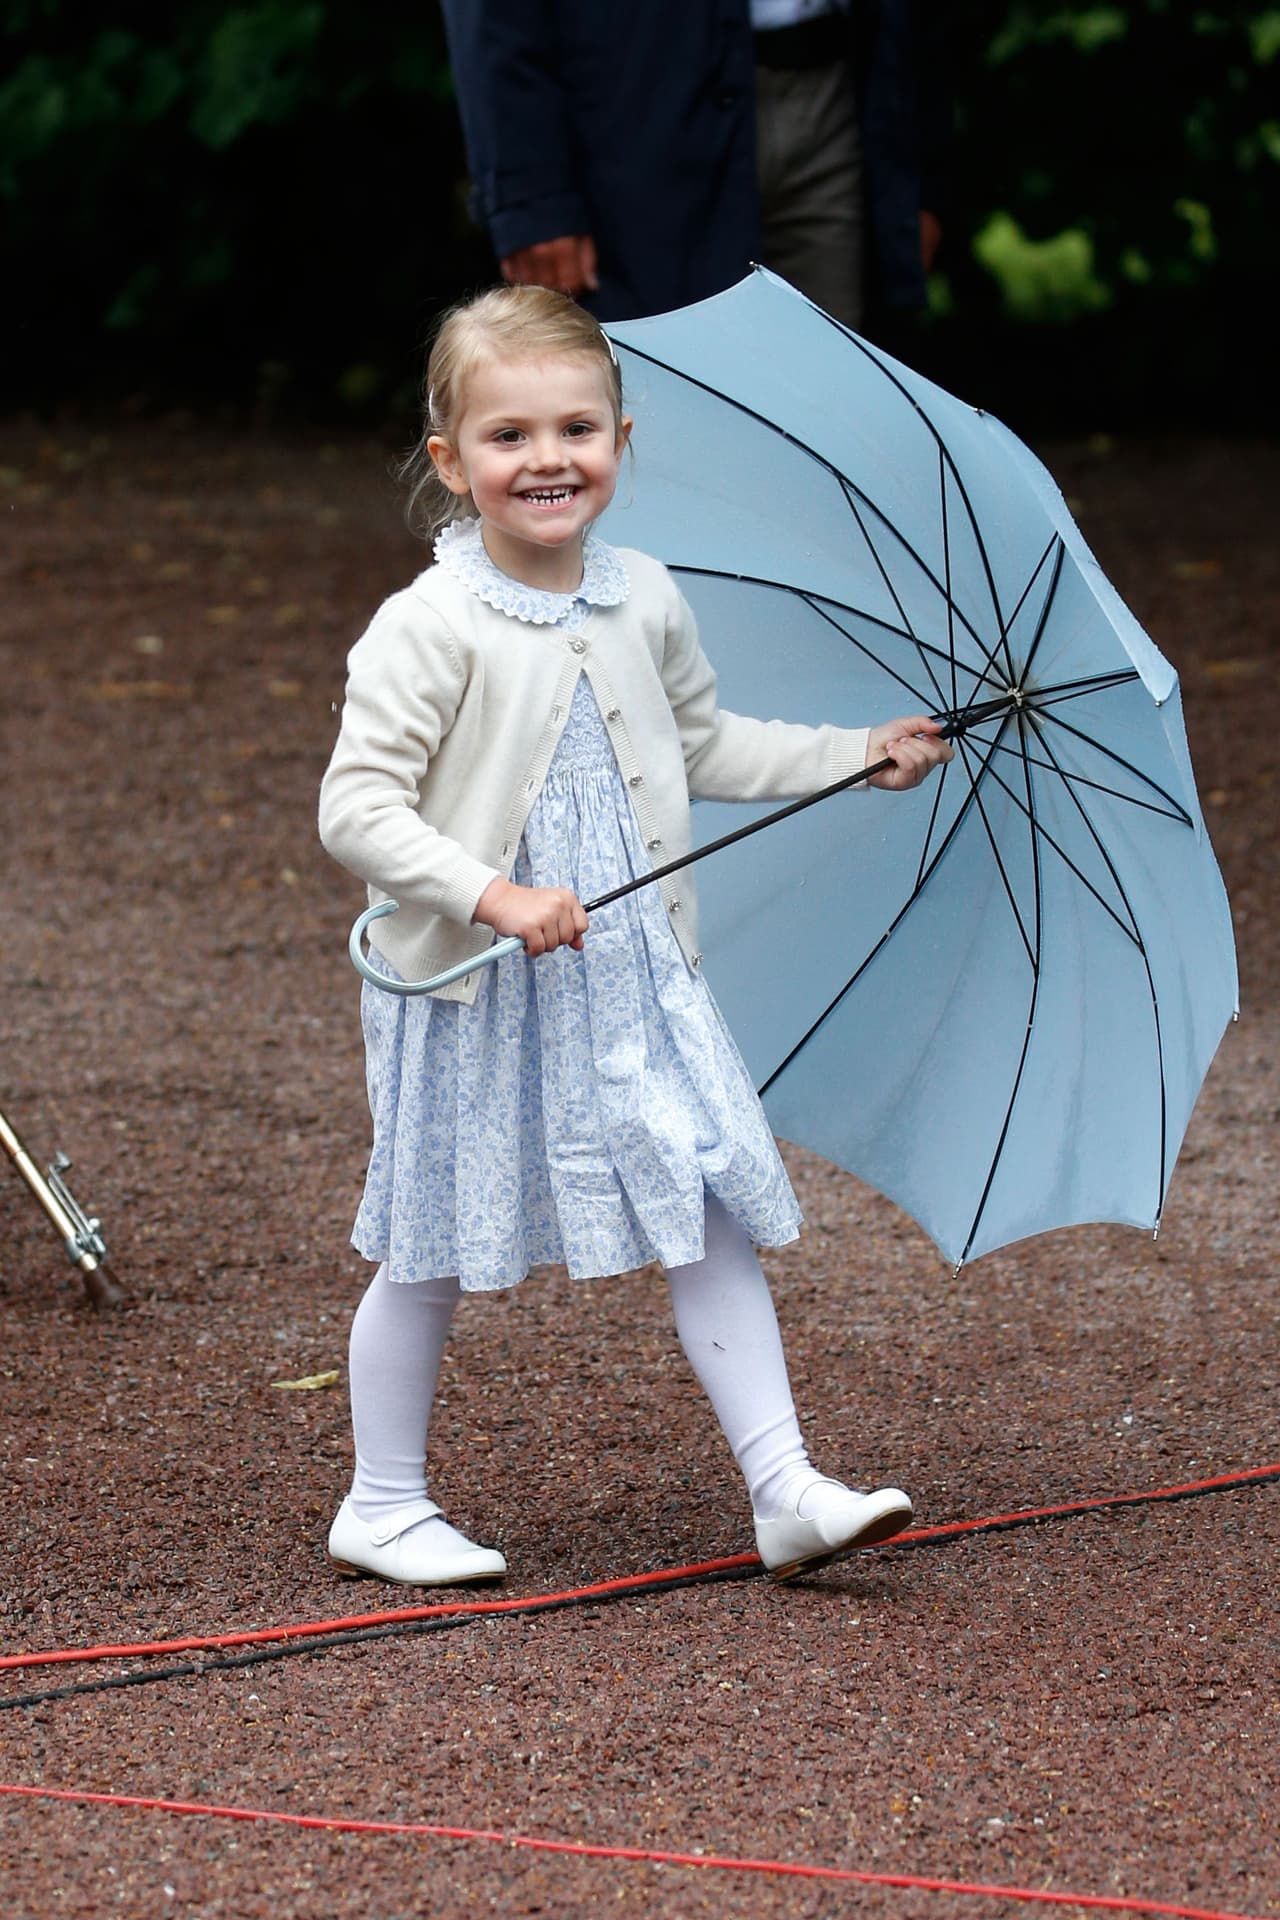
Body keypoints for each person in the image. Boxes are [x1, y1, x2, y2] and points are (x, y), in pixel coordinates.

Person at [318, 285, 951, 1588]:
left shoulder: (643, 595)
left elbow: (705, 743)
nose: (547, 458)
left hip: (627, 967)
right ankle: (380, 1503)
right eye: (508, 437)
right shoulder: (428, 625)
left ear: (620, 437)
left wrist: (854, 755)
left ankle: (785, 1489)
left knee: (705, 1194)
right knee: (430, 1243)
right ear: (450, 462)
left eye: (576, 427)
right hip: (480, 982)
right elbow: (356, 809)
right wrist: (494, 896)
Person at [437, 0, 947, 331]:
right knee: (648, 410)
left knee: (829, 414)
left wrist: (916, 179)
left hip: (836, 93)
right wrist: (529, 193)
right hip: (634, 112)